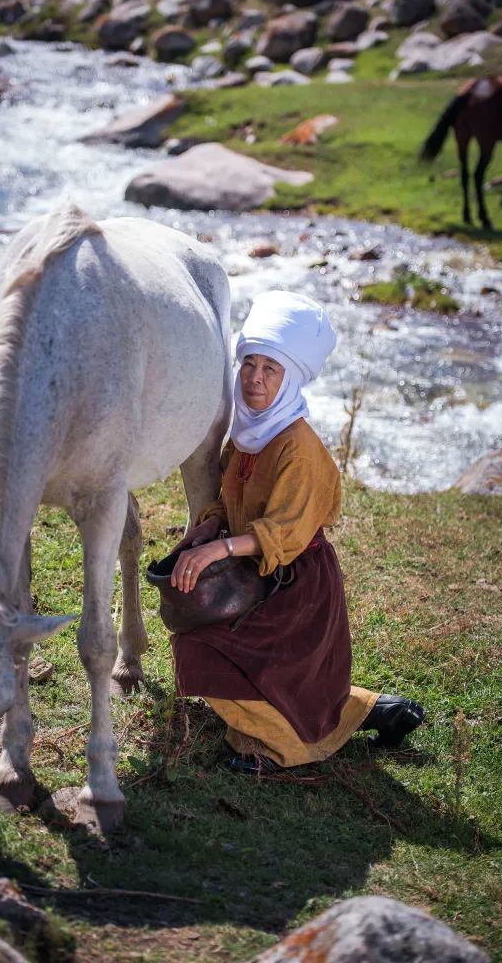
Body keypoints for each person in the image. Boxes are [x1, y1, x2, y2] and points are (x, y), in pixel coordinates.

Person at [170, 291, 424, 773]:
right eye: (249, 364)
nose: (255, 379)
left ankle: (281, 749)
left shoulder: (299, 449)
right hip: (253, 573)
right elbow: (230, 499)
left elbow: (282, 533)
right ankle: (373, 710)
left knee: (202, 649)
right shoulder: (247, 433)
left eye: (271, 369)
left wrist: (217, 550)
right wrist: (204, 530)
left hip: (297, 587)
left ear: (290, 379)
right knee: (277, 679)